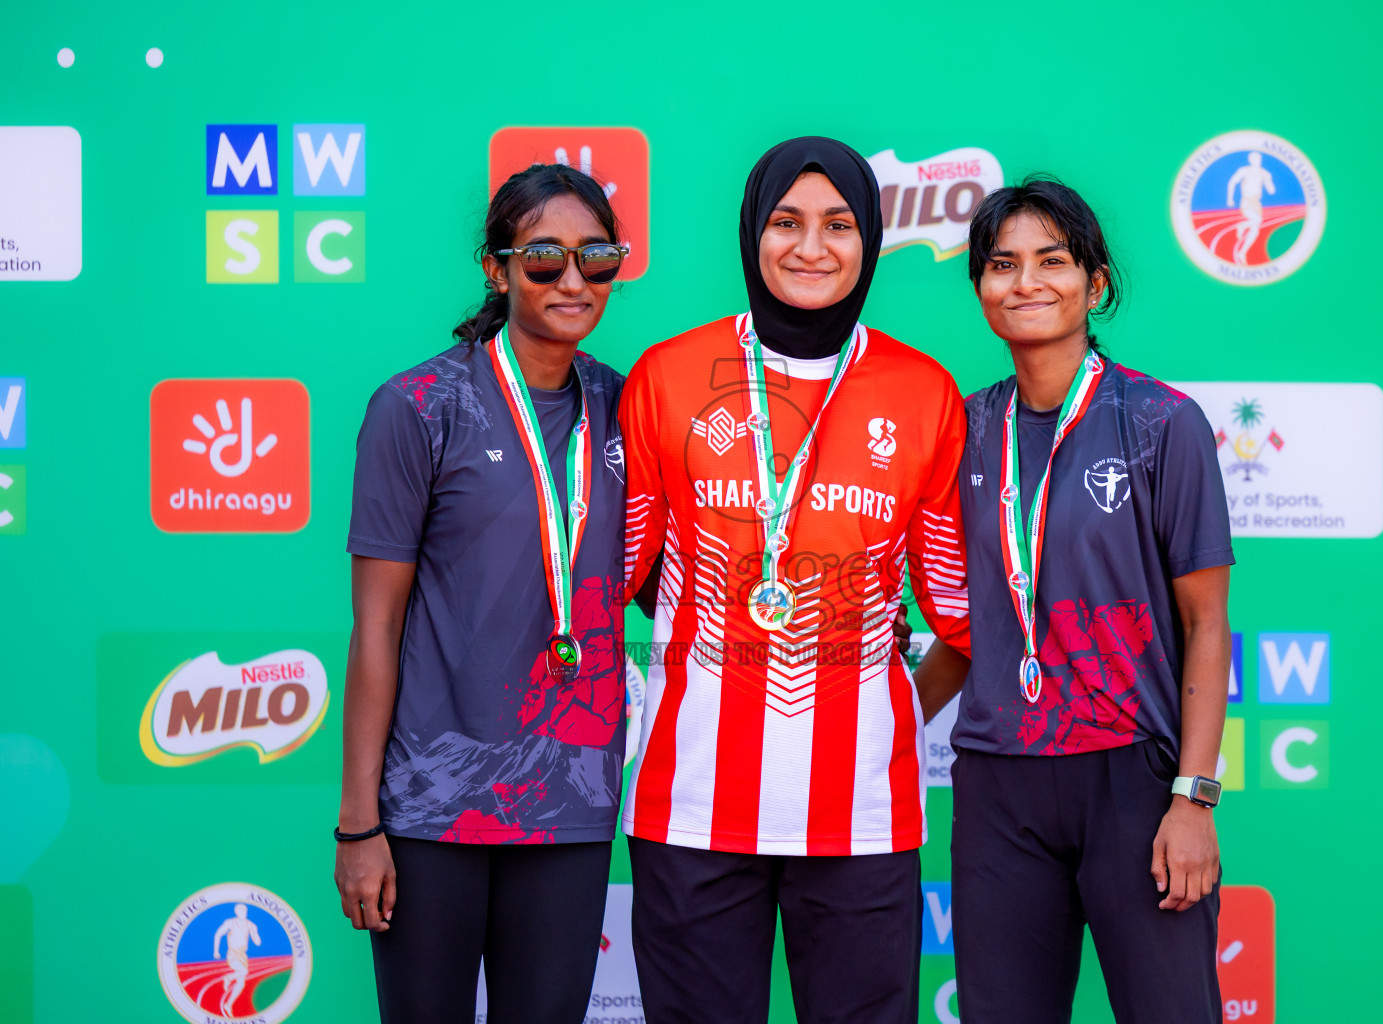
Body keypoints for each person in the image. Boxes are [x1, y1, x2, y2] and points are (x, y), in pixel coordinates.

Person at [617, 136, 970, 1024]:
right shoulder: (668, 375)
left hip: (862, 818)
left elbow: (963, 619)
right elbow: (627, 572)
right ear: (753, 232)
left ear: (870, 241)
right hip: (690, 807)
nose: (811, 248)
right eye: (787, 222)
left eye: (839, 225)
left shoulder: (924, 390)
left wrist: (878, 703)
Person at [915, 177, 1234, 1024]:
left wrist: (1193, 798)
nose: (1027, 283)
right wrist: (880, 725)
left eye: (1052, 262)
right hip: (996, 781)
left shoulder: (1164, 423)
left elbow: (1206, 625)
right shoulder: (962, 429)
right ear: (979, 287)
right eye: (1002, 265)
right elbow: (967, 624)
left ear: (1095, 284)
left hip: (1131, 774)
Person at [333, 162, 631, 1024]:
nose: (572, 279)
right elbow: (376, 628)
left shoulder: (626, 407)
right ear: (497, 268)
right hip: (432, 807)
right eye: (544, 258)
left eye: (595, 256)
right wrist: (360, 825)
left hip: (571, 801)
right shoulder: (418, 406)